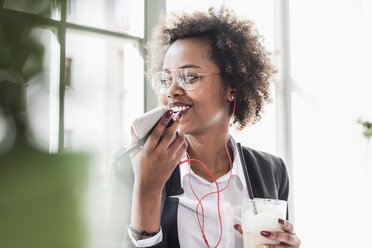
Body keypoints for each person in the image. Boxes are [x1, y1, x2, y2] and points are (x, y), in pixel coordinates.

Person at [126, 7, 301, 248]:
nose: (172, 91)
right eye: (166, 79)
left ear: (232, 86)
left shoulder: (271, 171)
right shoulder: (133, 168)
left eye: (190, 76)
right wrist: (148, 190)